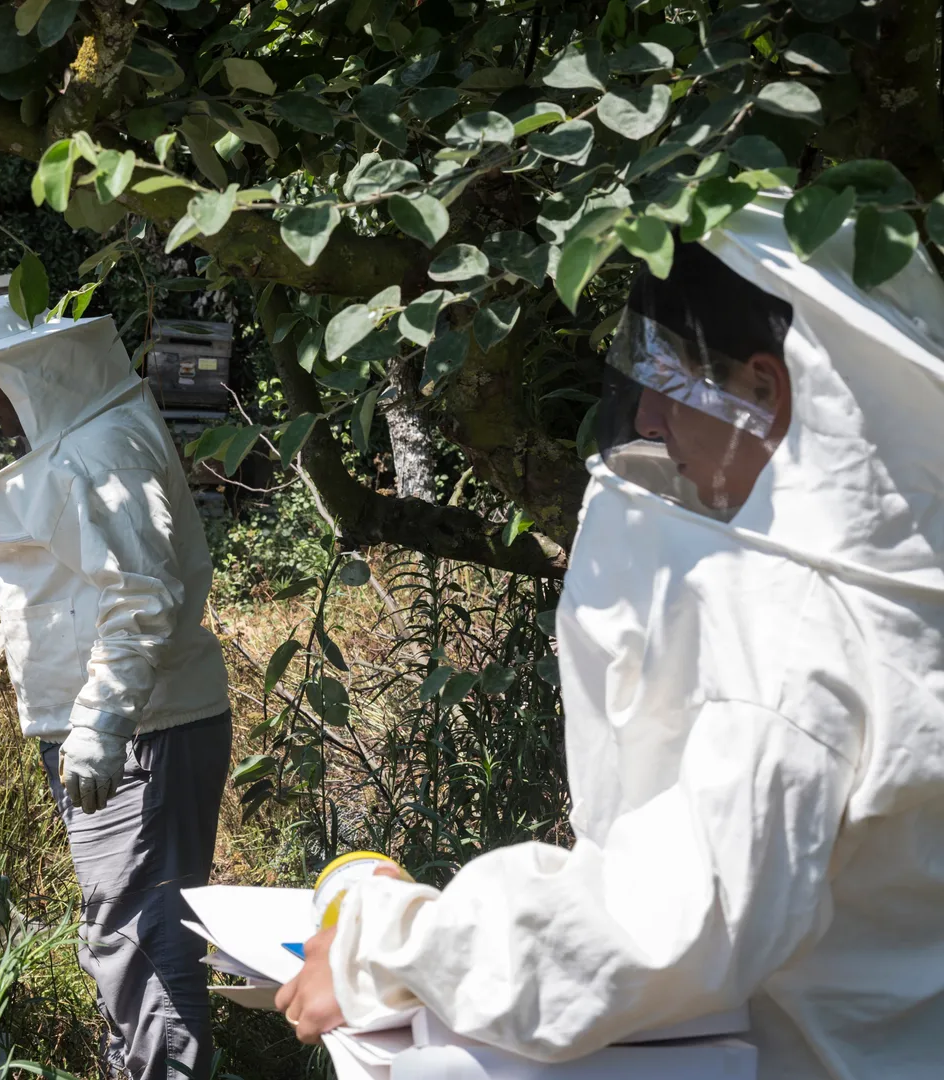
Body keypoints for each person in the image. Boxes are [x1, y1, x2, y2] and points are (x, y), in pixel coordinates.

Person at [275, 201, 944, 1078]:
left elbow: (667, 927)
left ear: (762, 390)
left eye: (669, 381)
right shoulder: (898, 596)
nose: (653, 425)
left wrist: (385, 949)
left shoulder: (797, 642)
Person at [0, 298, 233, 1080]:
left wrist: (101, 726)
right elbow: (91, 578)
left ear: (30, 372)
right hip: (140, 729)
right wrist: (18, 635)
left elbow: (143, 600)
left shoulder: (102, 448)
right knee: (125, 935)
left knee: (142, 942)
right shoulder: (89, 439)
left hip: (145, 733)